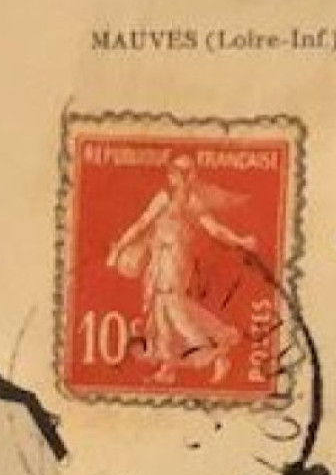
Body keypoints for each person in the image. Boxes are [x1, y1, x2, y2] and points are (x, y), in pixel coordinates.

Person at [105, 155, 259, 384]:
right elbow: (142, 224)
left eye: (181, 173)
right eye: (176, 173)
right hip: (159, 259)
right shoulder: (165, 199)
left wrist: (241, 241)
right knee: (161, 311)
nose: (178, 177)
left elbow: (215, 230)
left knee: (173, 309)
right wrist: (119, 248)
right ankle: (168, 368)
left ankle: (215, 353)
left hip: (175, 261)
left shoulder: (192, 201)